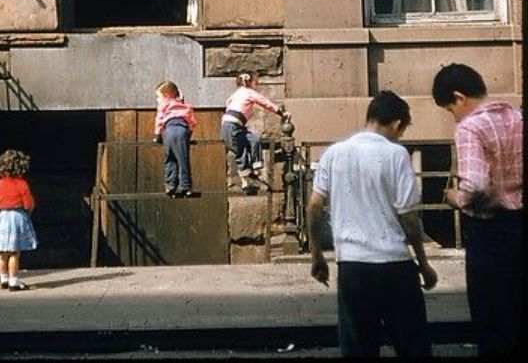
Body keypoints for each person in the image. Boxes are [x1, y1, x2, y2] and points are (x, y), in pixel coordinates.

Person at [308, 90, 437, 358]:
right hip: (394, 264)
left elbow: (314, 205)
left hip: (352, 265)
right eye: (401, 131)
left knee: (359, 347)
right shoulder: (396, 154)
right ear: (397, 124)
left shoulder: (333, 154)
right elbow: (409, 217)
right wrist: (423, 263)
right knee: (412, 344)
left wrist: (316, 254)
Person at [432, 63, 523, 357]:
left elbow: (476, 190)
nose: (453, 116)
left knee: (491, 318)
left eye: (449, 109)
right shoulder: (517, 116)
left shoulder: (470, 127)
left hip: (491, 233)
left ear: (459, 97)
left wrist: (452, 196)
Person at [221, 72, 289, 194]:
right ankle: (247, 180)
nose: (257, 85)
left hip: (236, 125)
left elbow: (228, 103)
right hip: (232, 125)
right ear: (248, 82)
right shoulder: (248, 92)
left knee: (254, 140)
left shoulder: (237, 94)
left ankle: (255, 168)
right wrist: (281, 113)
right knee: (241, 153)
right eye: (255, 82)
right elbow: (265, 103)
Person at [0, 149, 37, 291]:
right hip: (17, 216)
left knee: (2, 252)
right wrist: (29, 211)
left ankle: (3, 278)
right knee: (15, 253)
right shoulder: (22, 184)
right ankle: (14, 281)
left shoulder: (0, 183)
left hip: (3, 216)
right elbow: (28, 203)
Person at [153, 81, 196, 197]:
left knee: (169, 157)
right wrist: (189, 134)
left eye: (158, 97)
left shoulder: (164, 105)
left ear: (166, 95)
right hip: (182, 130)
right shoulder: (186, 106)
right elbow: (192, 123)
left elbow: (159, 119)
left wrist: (157, 135)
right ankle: (185, 186)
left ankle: (170, 185)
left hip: (168, 130)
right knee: (183, 159)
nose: (157, 100)